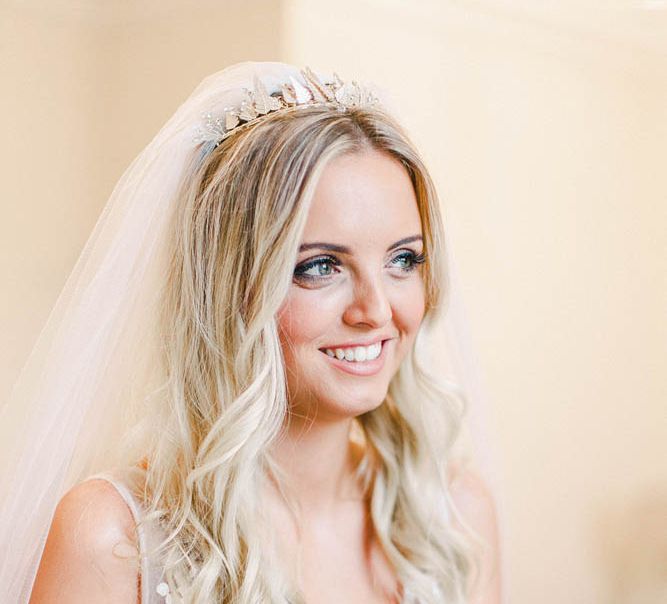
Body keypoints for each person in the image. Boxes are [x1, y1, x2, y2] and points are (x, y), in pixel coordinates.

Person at [1, 62, 500, 603]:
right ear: (232, 285)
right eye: (320, 266)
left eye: (404, 259)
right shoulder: (113, 536)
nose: (377, 310)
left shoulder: (452, 518)